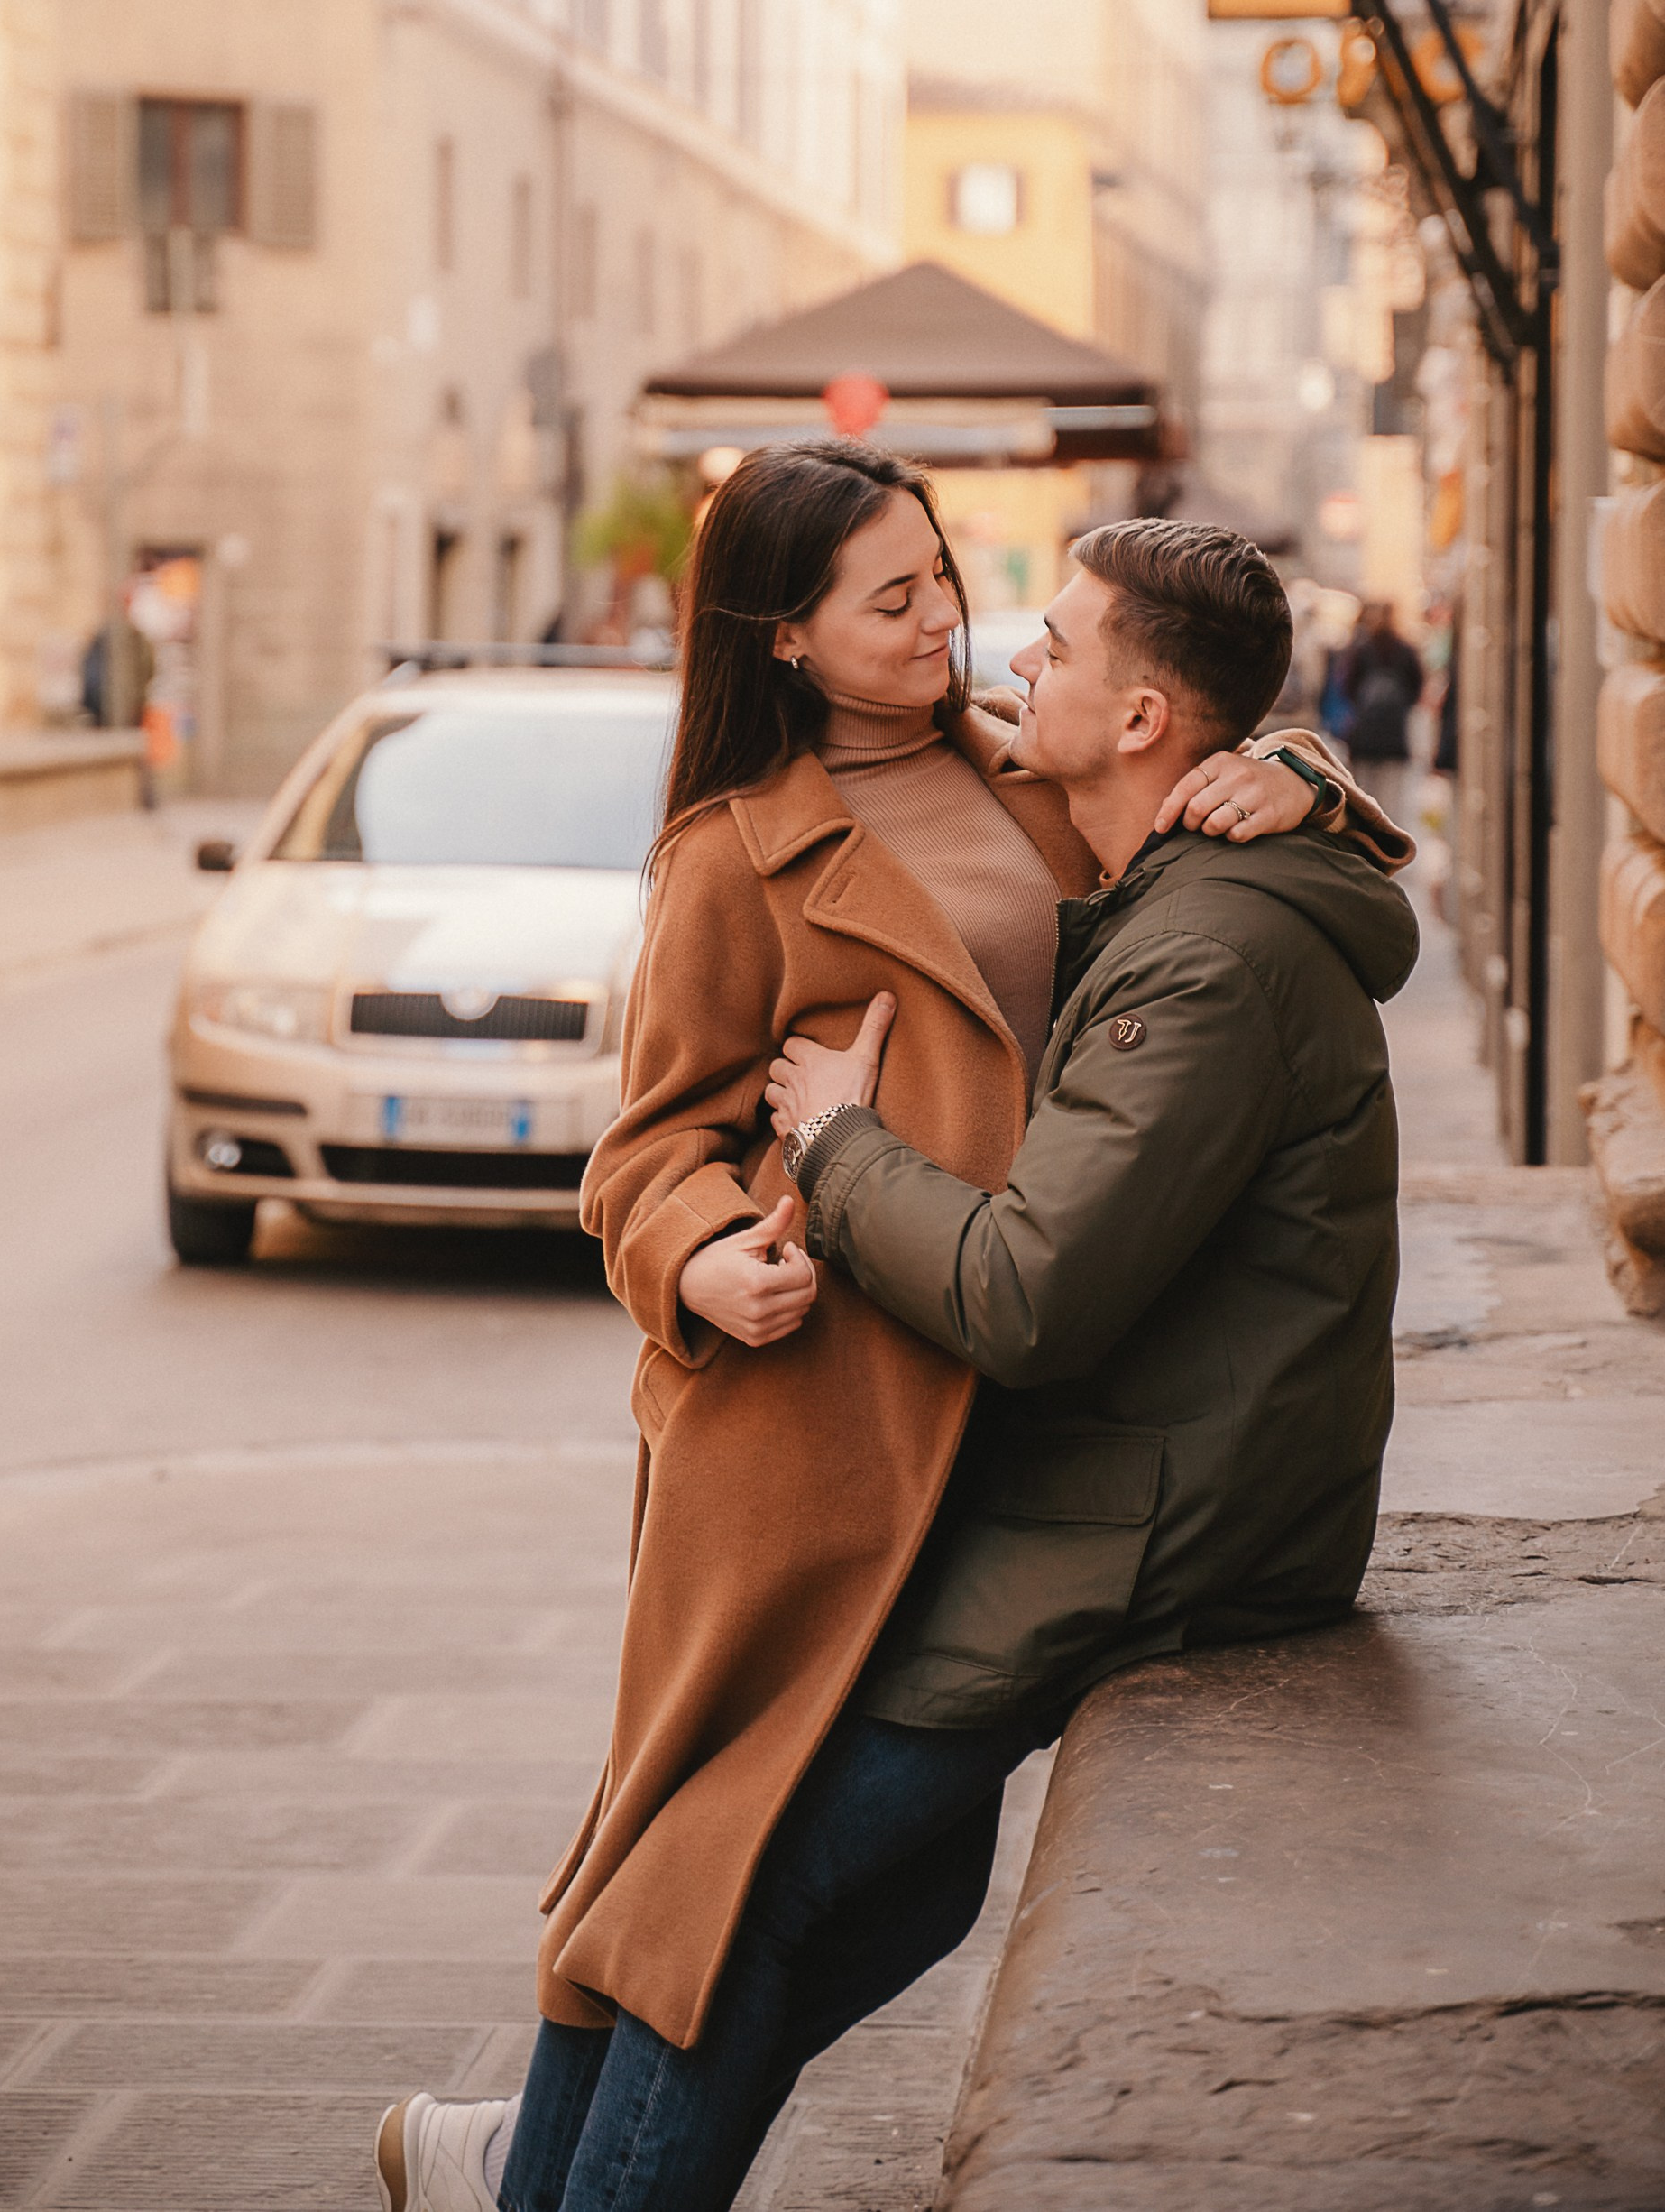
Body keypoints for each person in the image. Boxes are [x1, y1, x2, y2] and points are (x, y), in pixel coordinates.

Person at [374, 461, 1409, 2212]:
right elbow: (640, 1153)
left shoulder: (1018, 771)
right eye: (889, 600)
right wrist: (699, 1252)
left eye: (941, 578)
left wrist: (1290, 766)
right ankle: (545, 2165)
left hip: (1004, 1398)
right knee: (698, 1858)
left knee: (862, 1886)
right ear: (783, 636)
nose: (947, 623)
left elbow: (1227, 838)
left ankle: (529, 2164)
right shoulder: (731, 854)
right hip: (813, 1432)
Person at [1330, 597, 1428, 831]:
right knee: (1392, 798)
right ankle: (1390, 839)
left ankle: (1367, 839)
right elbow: (1417, 687)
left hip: (1365, 734)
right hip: (1394, 735)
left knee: (1364, 794)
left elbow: (1346, 687)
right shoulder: (1406, 650)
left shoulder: (1361, 649)